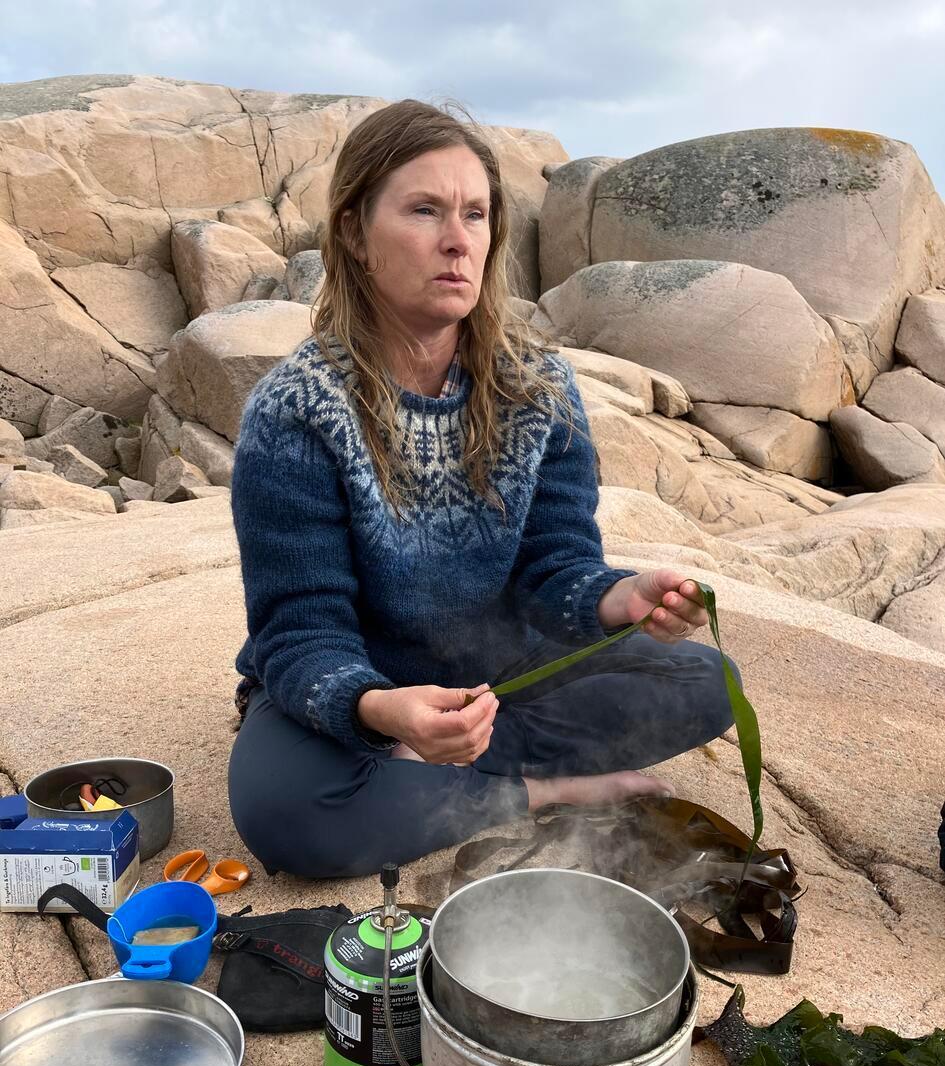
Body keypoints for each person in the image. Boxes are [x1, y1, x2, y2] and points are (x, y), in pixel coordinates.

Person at [228, 99, 737, 880]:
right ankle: (539, 788)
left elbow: (555, 570)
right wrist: (373, 708)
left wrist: (617, 598)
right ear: (357, 235)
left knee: (707, 683)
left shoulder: (536, 387)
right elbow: (299, 629)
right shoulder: (296, 410)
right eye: (424, 210)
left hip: (500, 675)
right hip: (362, 684)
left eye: (475, 214)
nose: (457, 240)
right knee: (287, 818)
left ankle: (431, 779)